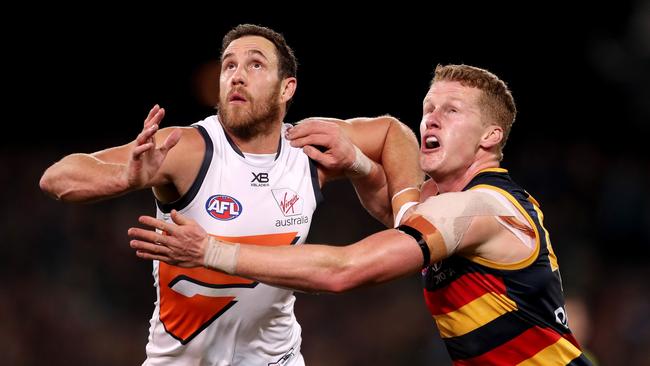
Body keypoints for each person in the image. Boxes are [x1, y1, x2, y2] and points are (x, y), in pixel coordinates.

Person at [129, 64, 593, 365]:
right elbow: (402, 216)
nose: (430, 119)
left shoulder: (475, 208)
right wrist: (360, 165)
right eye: (428, 108)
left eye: (450, 111)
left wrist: (211, 249)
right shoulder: (454, 204)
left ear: (490, 136)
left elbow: (346, 270)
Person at [39, 24, 422, 365]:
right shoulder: (190, 148)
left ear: (287, 87)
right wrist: (124, 176)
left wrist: (400, 207)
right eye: (229, 65)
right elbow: (57, 178)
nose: (237, 76)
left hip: (278, 358)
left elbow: (393, 131)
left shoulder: (308, 147)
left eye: (255, 65)